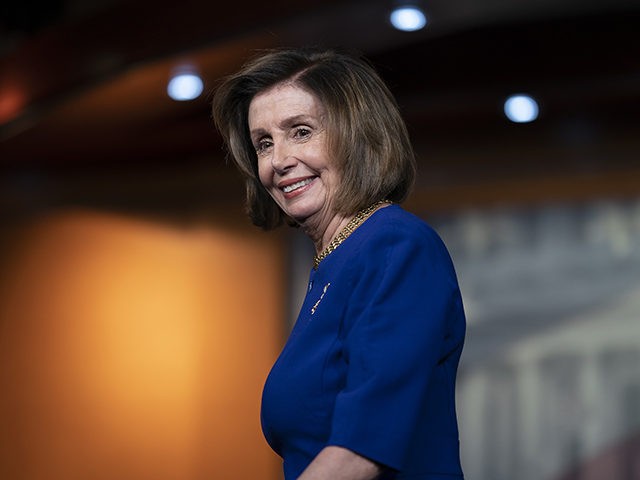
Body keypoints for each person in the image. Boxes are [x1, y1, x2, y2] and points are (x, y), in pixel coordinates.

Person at [211, 47, 466, 480]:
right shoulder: (334, 262)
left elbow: (361, 449)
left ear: (357, 134)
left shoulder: (395, 245)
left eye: (301, 131)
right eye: (264, 143)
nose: (279, 161)